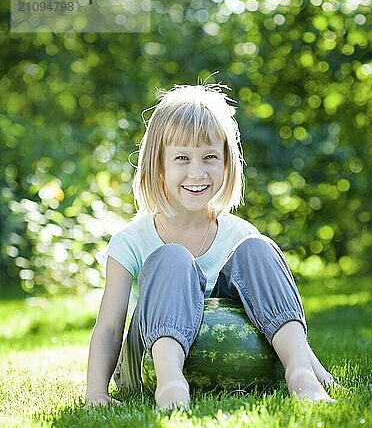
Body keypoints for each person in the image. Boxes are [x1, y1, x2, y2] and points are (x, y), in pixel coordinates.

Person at [85, 83, 337, 410]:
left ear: (227, 162)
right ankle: (171, 388)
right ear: (158, 165)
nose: (197, 172)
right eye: (182, 158)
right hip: (148, 362)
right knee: (173, 258)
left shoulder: (238, 234)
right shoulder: (131, 241)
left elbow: (276, 310)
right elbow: (108, 327)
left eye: (209, 157)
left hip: (231, 361)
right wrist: (96, 393)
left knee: (258, 248)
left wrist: (317, 370)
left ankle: (300, 375)